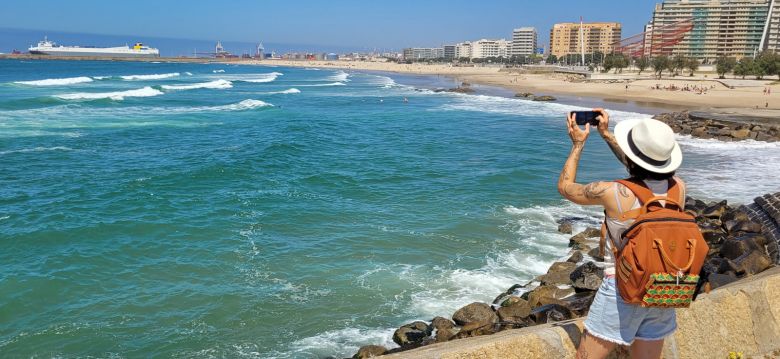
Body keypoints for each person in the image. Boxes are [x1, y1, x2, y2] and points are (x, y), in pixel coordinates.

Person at [558, 109, 686, 359]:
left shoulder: (613, 192)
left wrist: (577, 145)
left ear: (631, 158)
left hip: (623, 287)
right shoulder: (678, 188)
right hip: (665, 286)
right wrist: (607, 136)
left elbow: (565, 187)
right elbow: (640, 171)